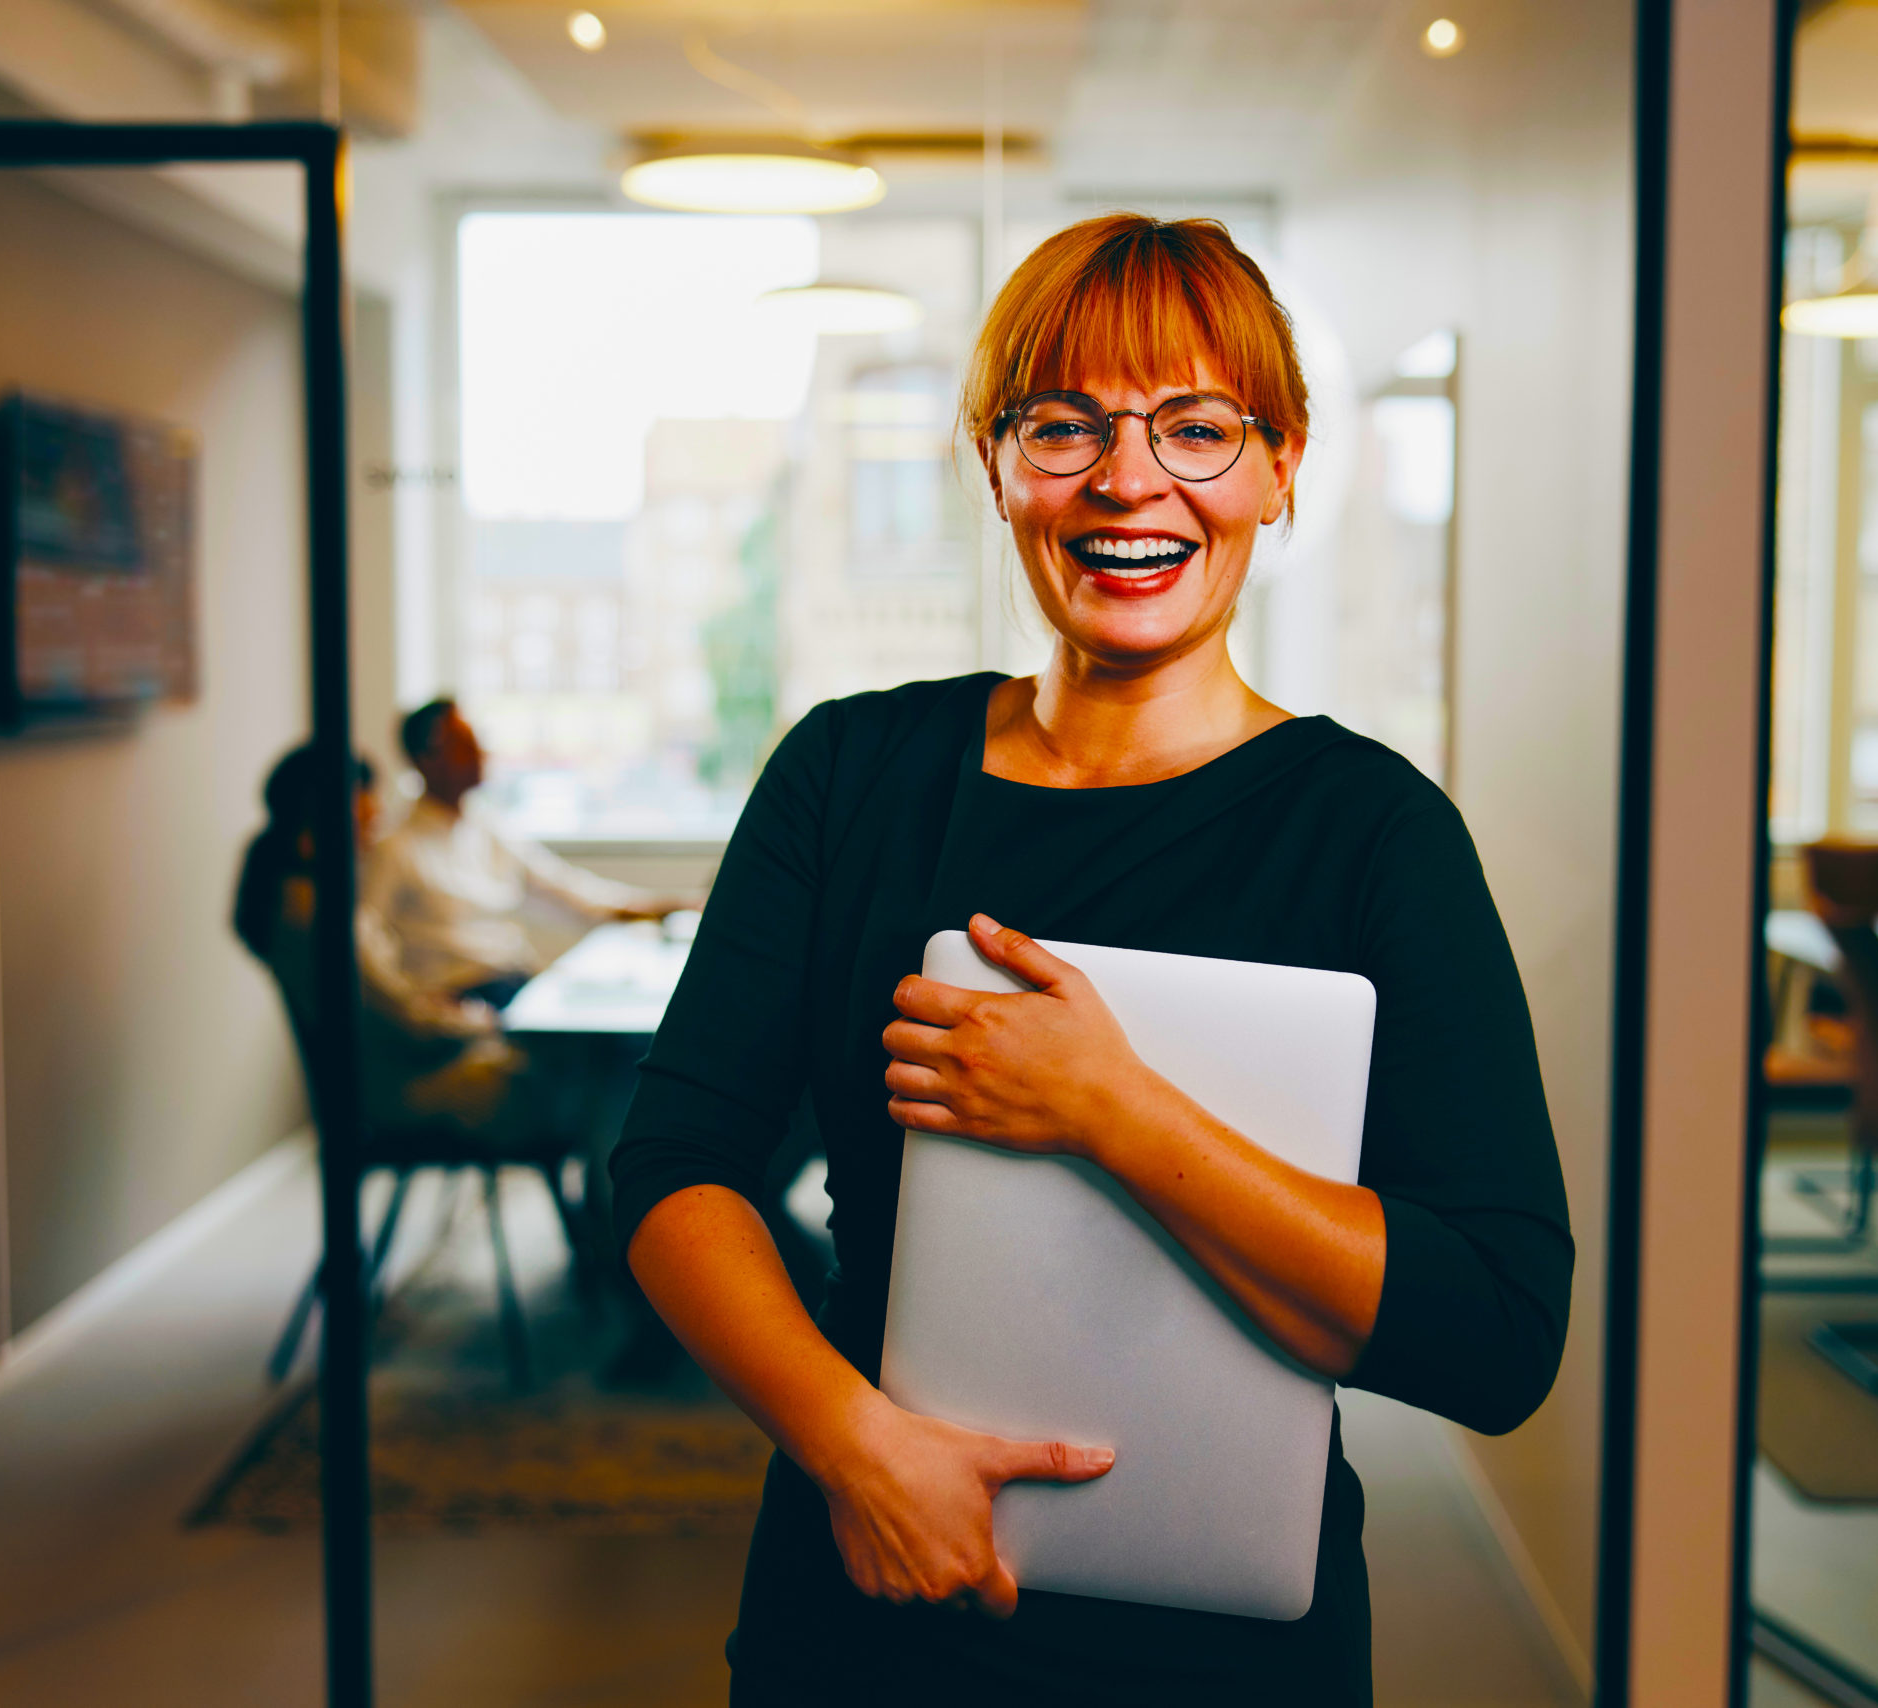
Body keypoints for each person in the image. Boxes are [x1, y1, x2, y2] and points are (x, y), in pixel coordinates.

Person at [608, 215, 1572, 1705]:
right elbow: (673, 1167)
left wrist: (1111, 1109)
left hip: (1230, 1659)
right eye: (1064, 426)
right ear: (993, 464)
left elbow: (1500, 1333)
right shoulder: (850, 775)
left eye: (1197, 428)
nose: (1132, 483)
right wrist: (848, 1445)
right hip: (865, 1605)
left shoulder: (1377, 834)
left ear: (1281, 465)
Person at [234, 743, 533, 1141]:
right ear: (330, 807)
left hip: (391, 1076)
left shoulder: (300, 899)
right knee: (589, 1068)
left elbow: (388, 1002)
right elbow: (406, 1019)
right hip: (408, 1092)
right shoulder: (323, 913)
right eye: (366, 796)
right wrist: (481, 1021)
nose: (377, 810)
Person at [365, 697, 684, 1013]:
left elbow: (571, 892)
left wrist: (666, 907)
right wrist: (415, 1005)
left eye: (477, 742)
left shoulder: (487, 829)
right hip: (464, 1000)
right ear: (427, 759)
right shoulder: (396, 848)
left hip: (516, 985)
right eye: (463, 745)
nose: (480, 754)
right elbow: (367, 945)